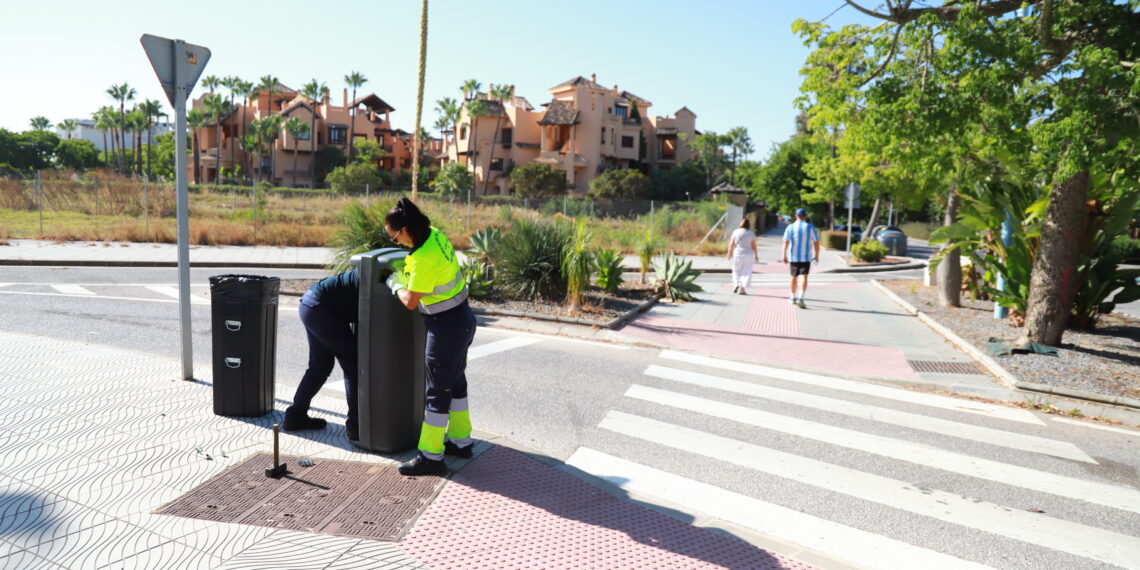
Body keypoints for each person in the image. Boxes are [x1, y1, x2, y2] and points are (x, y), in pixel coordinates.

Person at [384, 197, 476, 476]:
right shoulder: (434, 235)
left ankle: (431, 456)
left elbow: (411, 302)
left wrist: (395, 282)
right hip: (463, 321)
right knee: (456, 383)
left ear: (405, 229)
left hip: (445, 328)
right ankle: (461, 442)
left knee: (436, 392)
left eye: (394, 236)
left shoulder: (423, 259)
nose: (395, 241)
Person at [284, 269, 360, 440]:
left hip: (309, 304)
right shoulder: (379, 276)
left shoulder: (370, 271)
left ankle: (295, 416)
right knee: (354, 364)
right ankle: (355, 426)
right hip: (321, 310)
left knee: (319, 367)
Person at [781, 208, 820, 309]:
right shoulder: (810, 227)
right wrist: (817, 255)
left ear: (795, 216)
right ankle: (801, 298)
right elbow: (816, 242)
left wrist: (783, 255)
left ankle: (792, 297)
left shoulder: (790, 227)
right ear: (806, 217)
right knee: (804, 276)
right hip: (806, 257)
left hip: (793, 257)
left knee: (793, 277)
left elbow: (786, 242)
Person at [727, 218, 759, 295]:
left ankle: (735, 284)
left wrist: (729, 253)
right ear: (749, 225)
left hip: (738, 254)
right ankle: (742, 288)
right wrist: (756, 255)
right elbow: (754, 245)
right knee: (746, 272)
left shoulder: (736, 232)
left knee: (736, 270)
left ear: (741, 224)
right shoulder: (751, 233)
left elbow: (731, 244)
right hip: (749, 254)